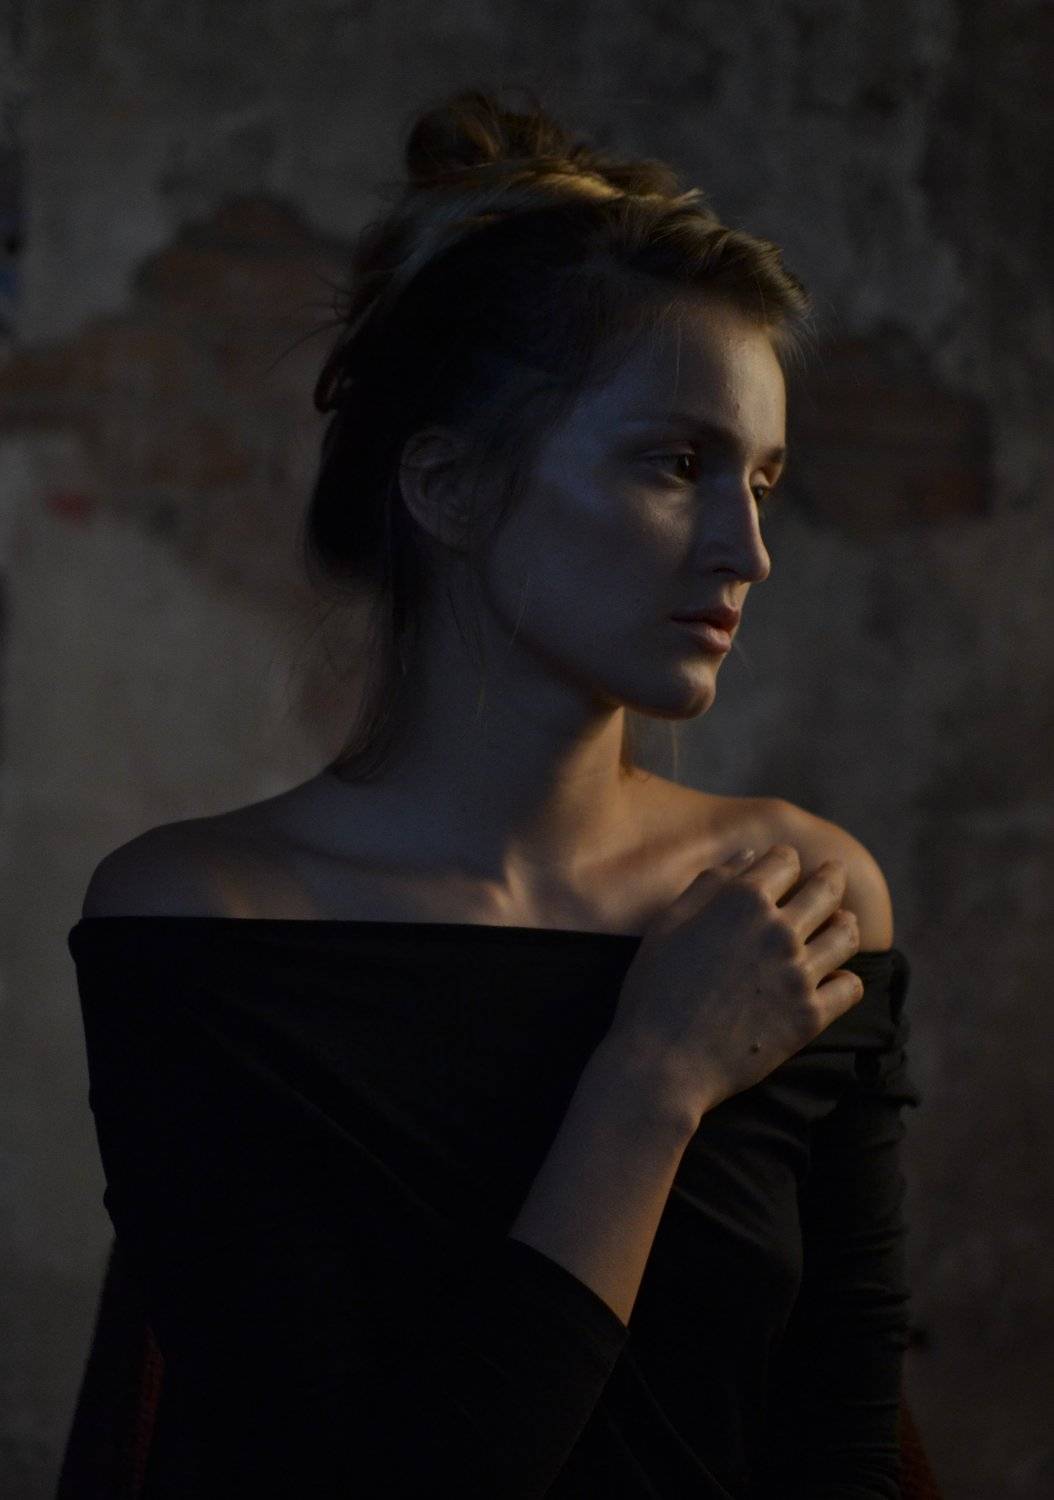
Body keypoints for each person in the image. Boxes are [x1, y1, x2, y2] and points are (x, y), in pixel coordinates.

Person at [67, 85, 922, 1498]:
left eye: (763, 481)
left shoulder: (800, 900)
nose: (746, 549)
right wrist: (651, 1082)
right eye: (676, 464)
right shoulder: (202, 921)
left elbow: (840, 1448)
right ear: (449, 487)